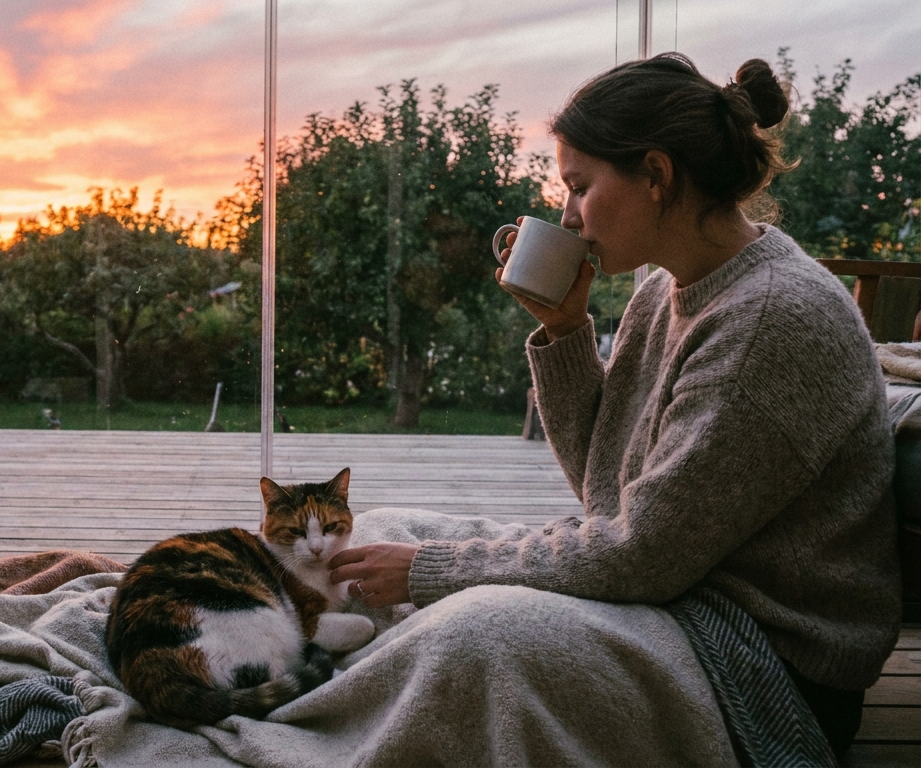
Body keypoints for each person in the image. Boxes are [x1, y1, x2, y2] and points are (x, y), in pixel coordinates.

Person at [329, 52, 902, 758]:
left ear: (656, 176)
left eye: (579, 187)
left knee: (476, 629)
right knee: (374, 535)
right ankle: (330, 699)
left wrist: (431, 571)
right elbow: (607, 496)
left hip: (758, 665)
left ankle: (329, 725)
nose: (566, 214)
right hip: (670, 595)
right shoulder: (663, 292)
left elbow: (640, 557)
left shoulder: (773, 318)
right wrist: (568, 330)